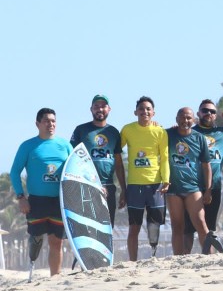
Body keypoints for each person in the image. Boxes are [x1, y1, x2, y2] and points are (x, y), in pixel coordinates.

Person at [11, 108, 73, 276]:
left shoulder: (65, 145)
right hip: (36, 201)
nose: (50, 124)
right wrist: (21, 197)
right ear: (37, 124)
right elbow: (15, 172)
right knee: (36, 240)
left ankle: (55, 277)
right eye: (46, 121)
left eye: (53, 121)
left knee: (56, 242)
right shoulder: (28, 146)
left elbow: (76, 170)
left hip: (58, 201)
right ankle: (31, 269)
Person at [183, 99, 223, 252]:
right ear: (198, 113)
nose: (208, 113)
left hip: (213, 186)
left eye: (212, 111)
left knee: (210, 228)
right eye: (205, 110)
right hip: (191, 185)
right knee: (188, 228)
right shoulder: (190, 132)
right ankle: (183, 258)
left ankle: (208, 258)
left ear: (216, 116)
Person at [120, 96, 170, 260]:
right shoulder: (127, 130)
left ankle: (153, 256)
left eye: (148, 109)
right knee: (134, 226)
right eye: (141, 109)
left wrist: (166, 180)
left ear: (153, 113)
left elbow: (164, 158)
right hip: (135, 185)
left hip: (155, 185)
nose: (145, 111)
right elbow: (115, 150)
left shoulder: (160, 131)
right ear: (135, 112)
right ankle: (132, 261)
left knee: (154, 226)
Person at [70, 94, 127, 227]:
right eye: (96, 106)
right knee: (88, 228)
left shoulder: (113, 132)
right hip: (86, 186)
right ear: (91, 109)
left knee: (106, 228)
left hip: (108, 187)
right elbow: (72, 159)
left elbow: (118, 163)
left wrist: (124, 190)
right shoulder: (81, 130)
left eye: (103, 106)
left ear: (109, 109)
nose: (100, 109)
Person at [166, 107, 213, 255]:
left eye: (188, 118)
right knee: (177, 226)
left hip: (193, 188)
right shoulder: (167, 134)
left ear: (194, 120)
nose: (185, 121)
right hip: (173, 189)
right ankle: (178, 259)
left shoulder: (199, 138)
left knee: (201, 223)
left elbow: (206, 165)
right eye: (182, 117)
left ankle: (210, 257)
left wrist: (208, 189)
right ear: (176, 118)